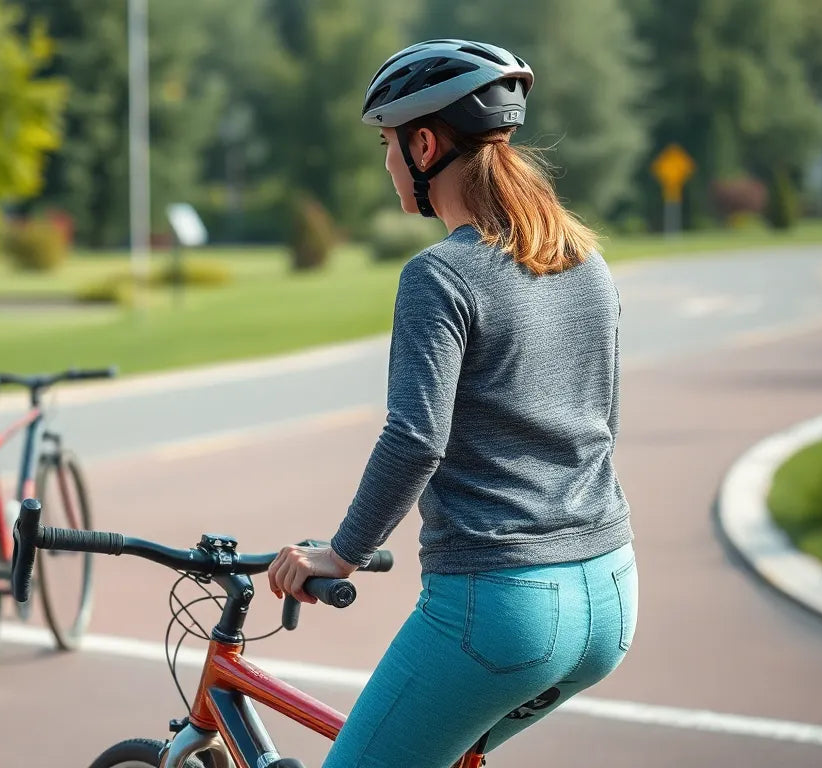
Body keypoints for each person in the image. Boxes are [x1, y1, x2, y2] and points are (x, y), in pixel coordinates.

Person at [266, 39, 638, 767]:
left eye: (387, 144)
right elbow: (603, 422)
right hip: (611, 593)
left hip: (503, 610)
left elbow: (414, 439)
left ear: (425, 144)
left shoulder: (439, 275)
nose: (386, 163)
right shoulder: (585, 259)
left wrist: (339, 556)